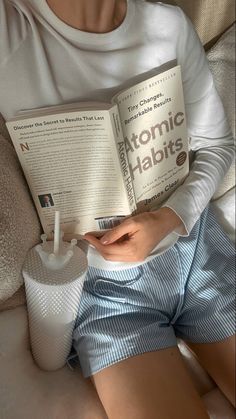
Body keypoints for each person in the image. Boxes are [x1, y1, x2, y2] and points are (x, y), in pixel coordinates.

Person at [0, 1, 235, 418]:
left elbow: (217, 146)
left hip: (197, 252)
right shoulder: (13, 32)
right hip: (104, 293)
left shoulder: (168, 25)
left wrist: (172, 217)